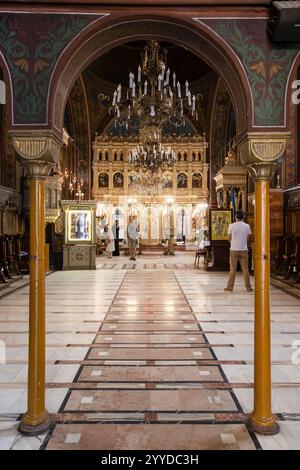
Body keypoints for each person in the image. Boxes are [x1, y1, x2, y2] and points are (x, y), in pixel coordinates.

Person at [224, 210, 253, 292]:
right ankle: (248, 287)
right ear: (243, 217)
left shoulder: (231, 226)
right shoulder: (247, 226)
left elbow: (229, 237)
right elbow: (248, 238)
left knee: (232, 269)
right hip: (244, 249)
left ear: (235, 217)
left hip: (233, 250)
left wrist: (233, 243)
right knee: (245, 269)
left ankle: (230, 287)